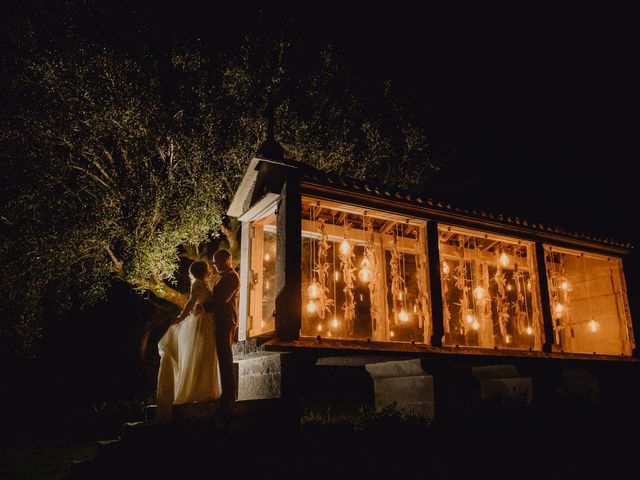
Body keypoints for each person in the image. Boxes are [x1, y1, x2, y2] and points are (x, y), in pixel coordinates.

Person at [155, 261, 221, 423]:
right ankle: (196, 391)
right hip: (202, 324)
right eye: (207, 267)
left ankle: (207, 390)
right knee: (201, 354)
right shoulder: (197, 283)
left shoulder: (205, 283)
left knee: (207, 354)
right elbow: (191, 302)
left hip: (207, 322)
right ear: (202, 270)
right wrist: (181, 317)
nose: (210, 269)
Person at [206, 249, 240, 406]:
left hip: (227, 321)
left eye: (218, 262)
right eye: (214, 263)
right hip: (219, 321)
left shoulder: (232, 277)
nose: (215, 266)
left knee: (225, 357)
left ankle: (229, 394)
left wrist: (203, 307)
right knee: (221, 356)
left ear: (227, 261)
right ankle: (224, 392)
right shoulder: (222, 277)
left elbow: (221, 300)